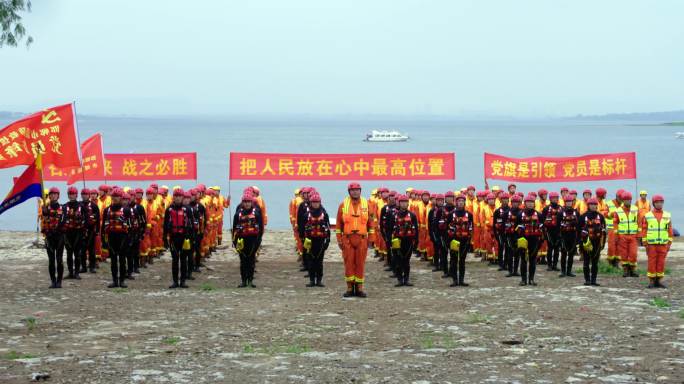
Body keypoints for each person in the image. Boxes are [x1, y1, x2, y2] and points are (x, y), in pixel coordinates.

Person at [336, 182, 374, 298]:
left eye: (357, 190)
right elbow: (338, 224)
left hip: (362, 239)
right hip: (347, 239)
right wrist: (339, 240)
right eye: (353, 190)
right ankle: (349, 288)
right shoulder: (343, 205)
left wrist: (371, 238)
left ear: (360, 191)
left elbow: (371, 223)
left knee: (360, 264)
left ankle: (359, 288)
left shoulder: (367, 204)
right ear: (349, 192)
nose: (355, 192)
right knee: (348, 263)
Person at [299, 192, 331, 287]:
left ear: (320, 203)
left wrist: (327, 240)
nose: (315, 204)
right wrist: (302, 239)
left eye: (317, 202)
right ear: (310, 203)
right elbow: (301, 227)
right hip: (309, 240)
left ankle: (319, 280)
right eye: (313, 202)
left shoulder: (324, 214)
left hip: (320, 240)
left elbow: (328, 228)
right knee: (311, 260)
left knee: (319, 261)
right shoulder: (306, 215)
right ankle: (312, 280)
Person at [101, 188, 131, 288]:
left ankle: (122, 281)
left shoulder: (126, 210)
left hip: (123, 238)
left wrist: (130, 239)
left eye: (117, 196)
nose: (115, 198)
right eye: (113, 196)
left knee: (122, 260)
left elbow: (130, 226)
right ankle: (114, 280)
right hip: (111, 237)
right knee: (113, 260)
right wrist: (103, 240)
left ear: (121, 198)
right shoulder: (107, 210)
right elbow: (103, 227)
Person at [162, 189, 192, 288]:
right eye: (176, 196)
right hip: (173, 238)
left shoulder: (187, 209)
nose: (178, 198)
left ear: (182, 197)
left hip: (184, 238)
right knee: (175, 260)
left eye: (180, 196)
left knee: (183, 260)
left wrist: (192, 239)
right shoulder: (169, 210)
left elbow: (191, 225)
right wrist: (164, 239)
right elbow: (165, 225)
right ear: (173, 197)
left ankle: (182, 281)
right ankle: (175, 281)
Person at [233, 194, 264, 288]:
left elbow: (261, 229)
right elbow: (234, 229)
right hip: (241, 240)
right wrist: (235, 243)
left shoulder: (257, 213)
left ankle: (250, 281)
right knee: (243, 261)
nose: (247, 204)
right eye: (245, 202)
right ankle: (243, 281)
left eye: (248, 202)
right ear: (242, 203)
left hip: (253, 240)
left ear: (252, 203)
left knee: (251, 261)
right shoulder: (238, 214)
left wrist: (258, 242)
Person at [387, 194, 419, 287]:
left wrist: (416, 241)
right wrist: (389, 241)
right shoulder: (394, 215)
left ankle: (407, 279)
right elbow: (389, 229)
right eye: (402, 202)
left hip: (408, 241)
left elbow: (416, 229)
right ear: (399, 203)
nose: (404, 204)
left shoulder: (412, 215)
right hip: (397, 241)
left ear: (408, 203)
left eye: (405, 202)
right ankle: (400, 280)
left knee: (406, 261)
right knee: (398, 262)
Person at [641, 195, 673, 288]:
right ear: (654, 203)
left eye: (661, 202)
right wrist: (645, 242)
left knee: (661, 262)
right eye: (657, 202)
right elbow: (644, 230)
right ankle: (651, 281)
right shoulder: (647, 216)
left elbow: (669, 229)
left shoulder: (667, 215)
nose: (659, 204)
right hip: (651, 244)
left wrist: (669, 242)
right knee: (652, 262)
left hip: (663, 243)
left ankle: (658, 281)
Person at [445, 194, 473, 287]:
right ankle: (454, 280)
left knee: (462, 261)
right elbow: (447, 229)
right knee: (453, 261)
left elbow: (471, 229)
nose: (461, 202)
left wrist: (469, 241)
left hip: (465, 241)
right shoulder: (450, 214)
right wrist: (449, 241)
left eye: (462, 201)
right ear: (456, 202)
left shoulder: (469, 215)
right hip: (454, 241)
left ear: (465, 202)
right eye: (459, 201)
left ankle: (461, 280)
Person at [516, 195, 543, 286]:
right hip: (523, 240)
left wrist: (540, 242)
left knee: (532, 260)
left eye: (532, 202)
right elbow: (516, 229)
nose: (530, 204)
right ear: (525, 203)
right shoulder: (520, 214)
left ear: (534, 204)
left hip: (534, 240)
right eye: (528, 202)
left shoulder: (539, 215)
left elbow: (542, 230)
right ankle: (523, 280)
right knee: (523, 260)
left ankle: (531, 279)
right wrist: (518, 240)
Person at [579, 198, 606, 286]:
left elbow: (604, 231)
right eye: (591, 204)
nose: (593, 206)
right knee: (586, 262)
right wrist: (580, 245)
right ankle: (587, 280)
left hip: (597, 243)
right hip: (586, 242)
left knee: (595, 262)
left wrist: (603, 244)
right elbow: (578, 231)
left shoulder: (600, 217)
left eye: (595, 205)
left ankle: (593, 280)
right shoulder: (583, 217)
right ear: (588, 206)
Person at [42, 187, 65, 288]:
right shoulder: (45, 207)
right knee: (51, 260)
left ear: (58, 196)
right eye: (52, 194)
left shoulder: (63, 208)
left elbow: (64, 221)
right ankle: (53, 281)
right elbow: (44, 221)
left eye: (56, 194)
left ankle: (59, 281)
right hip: (49, 236)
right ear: (49, 196)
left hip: (59, 236)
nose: (54, 196)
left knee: (59, 259)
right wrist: (44, 212)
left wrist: (57, 230)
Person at [613, 191, 639, 277]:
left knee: (633, 253)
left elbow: (639, 222)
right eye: (626, 200)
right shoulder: (618, 211)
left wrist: (639, 234)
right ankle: (625, 270)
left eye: (629, 200)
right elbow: (615, 223)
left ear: (631, 200)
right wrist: (616, 235)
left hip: (633, 235)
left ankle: (633, 269)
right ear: (623, 201)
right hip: (622, 235)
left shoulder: (635, 209)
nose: (628, 201)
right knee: (624, 254)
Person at [62, 186, 85, 280]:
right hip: (67, 233)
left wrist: (83, 230)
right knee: (69, 253)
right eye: (70, 194)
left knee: (77, 253)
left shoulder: (81, 206)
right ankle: (70, 272)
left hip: (78, 233)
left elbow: (86, 220)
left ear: (76, 195)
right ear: (68, 195)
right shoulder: (64, 206)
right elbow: (62, 220)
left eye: (73, 194)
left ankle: (76, 273)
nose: (71, 196)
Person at [558, 195, 580, 277]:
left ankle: (569, 271)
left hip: (573, 235)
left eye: (570, 202)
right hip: (564, 235)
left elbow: (579, 226)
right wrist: (559, 237)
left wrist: (578, 238)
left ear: (572, 203)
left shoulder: (576, 212)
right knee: (563, 254)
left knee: (571, 254)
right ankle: (563, 271)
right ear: (565, 203)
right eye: (567, 202)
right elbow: (557, 225)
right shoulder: (561, 213)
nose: (569, 203)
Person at [540, 192, 562, 272]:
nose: (555, 199)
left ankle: (555, 265)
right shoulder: (546, 209)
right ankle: (549, 265)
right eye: (553, 198)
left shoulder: (561, 208)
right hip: (549, 231)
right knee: (550, 248)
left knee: (556, 249)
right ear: (550, 199)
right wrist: (544, 232)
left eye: (556, 198)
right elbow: (542, 221)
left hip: (558, 231)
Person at [81, 188, 100, 273]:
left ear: (89, 196)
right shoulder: (79, 205)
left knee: (91, 249)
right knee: (82, 249)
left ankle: (92, 267)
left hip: (91, 230)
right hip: (81, 230)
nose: (84, 196)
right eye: (83, 194)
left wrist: (97, 231)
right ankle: (83, 267)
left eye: (86, 194)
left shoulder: (94, 206)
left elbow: (98, 219)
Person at [379, 191, 398, 275]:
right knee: (389, 249)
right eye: (391, 196)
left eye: (394, 196)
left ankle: (397, 266)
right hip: (388, 232)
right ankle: (390, 265)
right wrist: (384, 233)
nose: (392, 198)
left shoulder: (399, 208)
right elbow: (382, 222)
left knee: (396, 251)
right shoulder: (385, 208)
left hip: (397, 233)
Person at [504, 195, 522, 277]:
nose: (515, 204)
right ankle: (510, 271)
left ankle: (515, 270)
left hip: (518, 235)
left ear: (519, 203)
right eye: (514, 202)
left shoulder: (522, 213)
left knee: (517, 253)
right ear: (511, 203)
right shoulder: (506, 213)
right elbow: (503, 225)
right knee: (510, 253)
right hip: (509, 236)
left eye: (517, 202)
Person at [492, 192, 510, 272]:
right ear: (500, 200)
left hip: (509, 233)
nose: (505, 201)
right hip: (500, 233)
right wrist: (496, 234)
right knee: (501, 247)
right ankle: (500, 264)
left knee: (508, 248)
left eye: (506, 199)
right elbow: (494, 223)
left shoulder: (510, 210)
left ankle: (506, 264)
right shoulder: (497, 211)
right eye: (503, 199)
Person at [605, 189, 623, 267]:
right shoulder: (609, 203)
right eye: (620, 198)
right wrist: (612, 214)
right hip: (611, 228)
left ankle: (617, 262)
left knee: (619, 246)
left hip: (621, 228)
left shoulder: (624, 204)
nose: (621, 200)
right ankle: (610, 261)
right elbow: (605, 214)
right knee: (611, 246)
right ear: (617, 197)